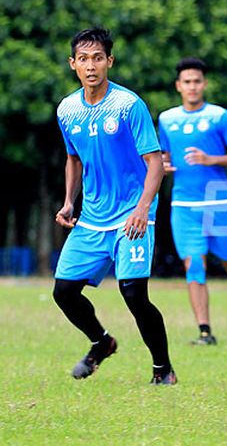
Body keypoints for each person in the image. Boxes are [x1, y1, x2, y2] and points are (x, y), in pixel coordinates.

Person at [53, 28, 176, 384]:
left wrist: (142, 209)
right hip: (91, 217)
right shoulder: (67, 109)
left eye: (98, 58)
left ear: (110, 61)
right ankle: (102, 342)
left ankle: (162, 370)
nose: (91, 66)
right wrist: (67, 201)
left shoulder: (128, 105)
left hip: (133, 215)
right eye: (83, 59)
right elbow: (73, 159)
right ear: (73, 64)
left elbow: (155, 163)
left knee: (134, 293)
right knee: (63, 292)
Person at [158, 57, 227, 345]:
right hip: (183, 207)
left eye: (197, 81)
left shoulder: (220, 116)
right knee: (194, 266)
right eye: (187, 82)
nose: (192, 86)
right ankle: (205, 333)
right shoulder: (166, 119)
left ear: (204, 84)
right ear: (178, 86)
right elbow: (164, 157)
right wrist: (163, 167)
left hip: (218, 206)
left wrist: (211, 159)